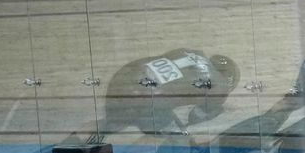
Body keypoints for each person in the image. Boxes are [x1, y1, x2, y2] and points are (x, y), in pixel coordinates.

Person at [101, 48, 240, 133]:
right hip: (143, 101)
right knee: (180, 142)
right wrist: (218, 110)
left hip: (122, 79)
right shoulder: (220, 85)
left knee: (113, 125)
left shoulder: (189, 51)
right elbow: (195, 117)